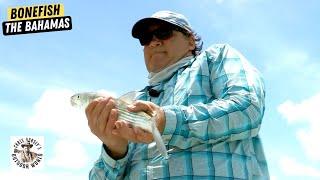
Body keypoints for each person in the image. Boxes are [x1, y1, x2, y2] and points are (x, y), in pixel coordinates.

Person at [87, 10, 269, 179]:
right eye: (146, 37)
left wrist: (166, 121)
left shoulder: (214, 58)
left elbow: (248, 107)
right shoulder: (134, 102)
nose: (154, 41)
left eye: (164, 32)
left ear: (190, 41)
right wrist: (114, 150)